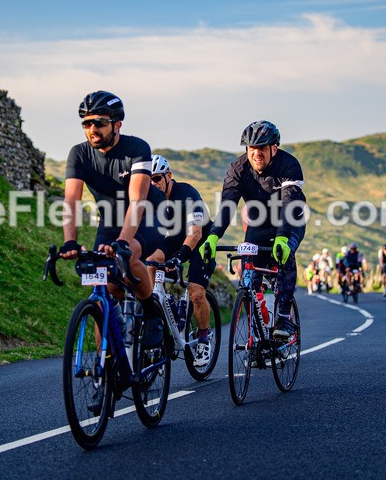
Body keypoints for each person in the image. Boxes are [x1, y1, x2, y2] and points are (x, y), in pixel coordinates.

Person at [59, 90, 166, 347]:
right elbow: (71, 201)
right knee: (105, 293)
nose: (92, 128)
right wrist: (70, 242)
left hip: (150, 215)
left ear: (117, 124)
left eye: (99, 122)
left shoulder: (137, 148)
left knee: (128, 258)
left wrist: (122, 243)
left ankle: (152, 313)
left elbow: (137, 200)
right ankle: (104, 368)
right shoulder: (79, 154)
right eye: (86, 123)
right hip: (110, 220)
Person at [199, 120, 307, 339]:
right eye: (251, 148)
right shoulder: (237, 169)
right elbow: (228, 206)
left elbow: (289, 204)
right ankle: (257, 327)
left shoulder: (289, 165)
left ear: (274, 148)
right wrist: (212, 236)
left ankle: (284, 317)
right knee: (248, 278)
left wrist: (282, 238)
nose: (256, 153)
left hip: (290, 220)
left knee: (285, 257)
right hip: (259, 225)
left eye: (262, 148)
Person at [145, 154, 216, 367]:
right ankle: (156, 310)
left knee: (196, 293)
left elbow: (195, 233)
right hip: (176, 237)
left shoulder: (186, 194)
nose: (153, 184)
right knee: (150, 260)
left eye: (157, 178)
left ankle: (204, 338)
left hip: (200, 240)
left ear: (168, 176)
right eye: (148, 180)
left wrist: (178, 259)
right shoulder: (149, 198)